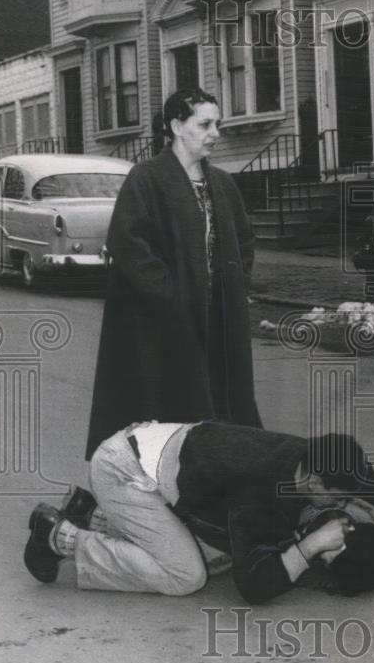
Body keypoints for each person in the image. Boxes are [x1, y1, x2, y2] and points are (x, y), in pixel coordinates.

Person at [24, 421, 374, 604]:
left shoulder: (309, 456)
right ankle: (60, 538)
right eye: (337, 500)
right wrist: (310, 546)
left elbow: (368, 480)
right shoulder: (261, 492)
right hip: (121, 469)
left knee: (213, 549)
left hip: (150, 457)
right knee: (187, 575)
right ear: (314, 484)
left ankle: (90, 511)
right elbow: (253, 587)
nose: (340, 509)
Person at [85, 88, 260, 460]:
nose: (215, 133)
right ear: (177, 126)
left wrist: (236, 284)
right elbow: (128, 243)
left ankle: (223, 478)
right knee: (171, 407)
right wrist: (172, 295)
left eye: (218, 124)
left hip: (218, 318)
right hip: (166, 323)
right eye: (206, 124)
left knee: (224, 400)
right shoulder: (146, 179)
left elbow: (244, 241)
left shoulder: (223, 184)